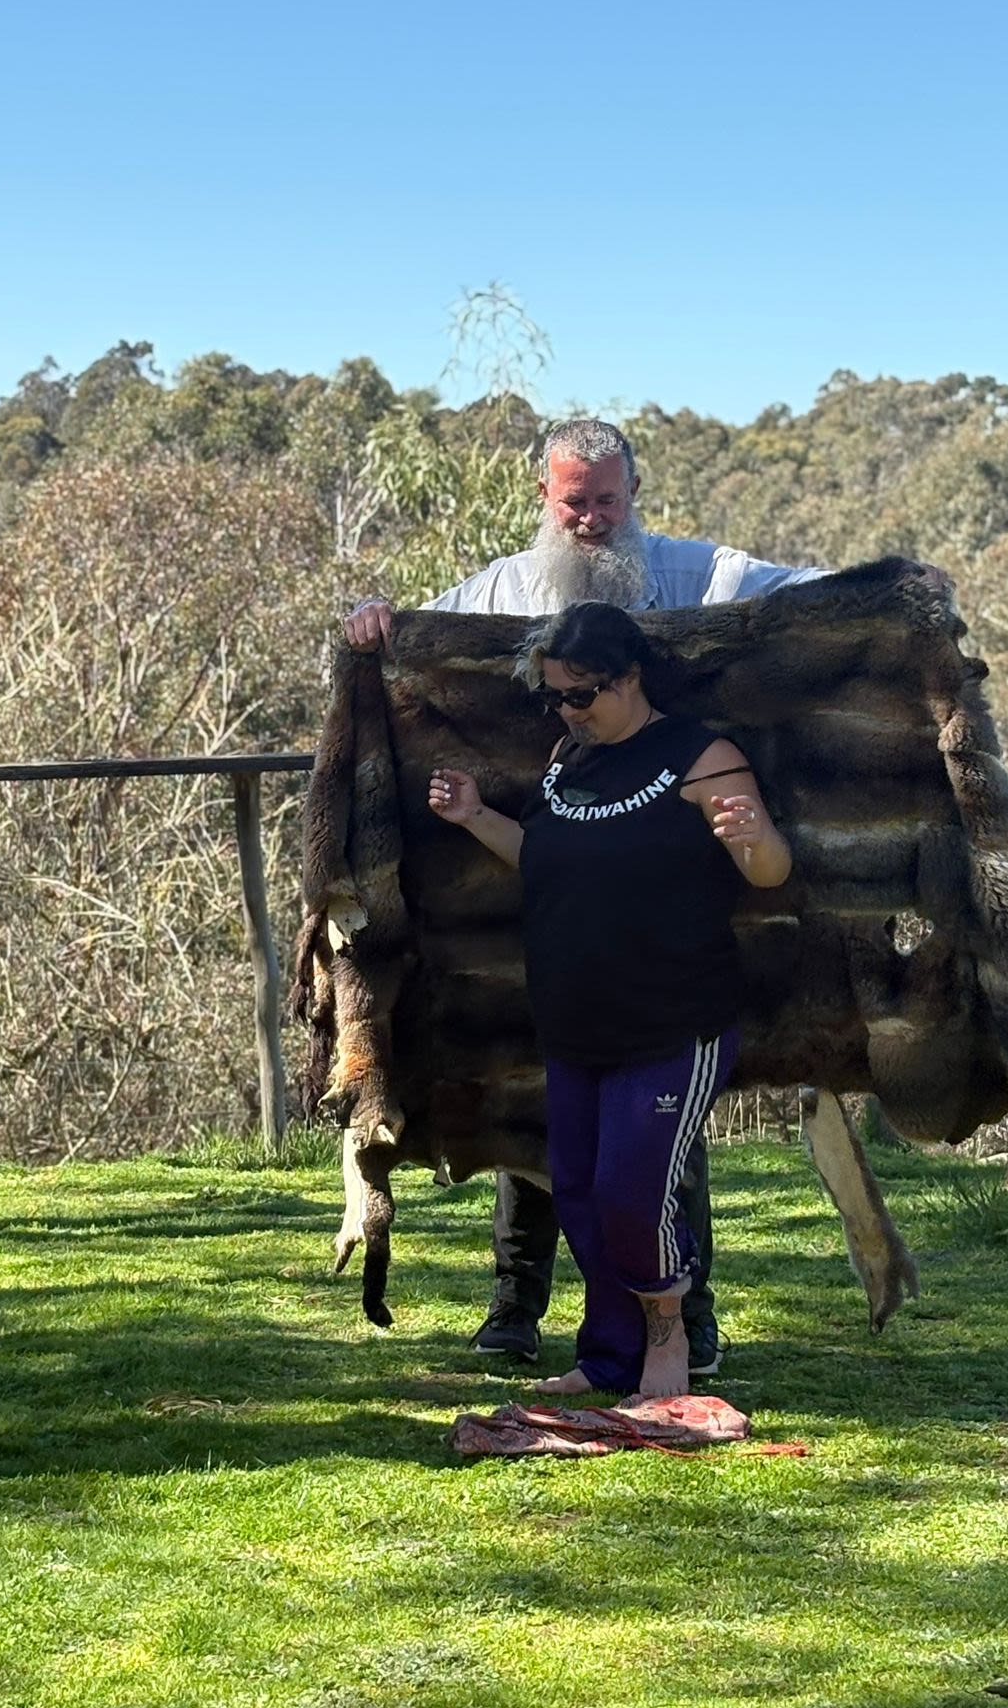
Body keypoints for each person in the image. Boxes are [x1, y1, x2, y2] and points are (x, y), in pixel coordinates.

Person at [344, 417, 822, 1372]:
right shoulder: (508, 606)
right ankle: (531, 1316)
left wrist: (898, 594)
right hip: (560, 976)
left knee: (647, 1171)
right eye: (576, 501)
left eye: (609, 499)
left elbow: (797, 595)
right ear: (544, 497)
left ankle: (681, 1335)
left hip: (668, 994)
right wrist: (374, 623)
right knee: (567, 1158)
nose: (594, 518)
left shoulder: (691, 590)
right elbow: (418, 637)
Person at [428, 601, 792, 1400]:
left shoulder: (703, 758)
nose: (567, 710)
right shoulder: (568, 758)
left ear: (630, 678)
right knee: (584, 1197)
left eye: (582, 693)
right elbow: (548, 860)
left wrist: (749, 836)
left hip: (673, 1021)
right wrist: (475, 815)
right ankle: (606, 1358)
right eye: (555, 695)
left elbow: (769, 870)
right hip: (573, 1021)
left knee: (636, 1192)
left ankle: (670, 1347)